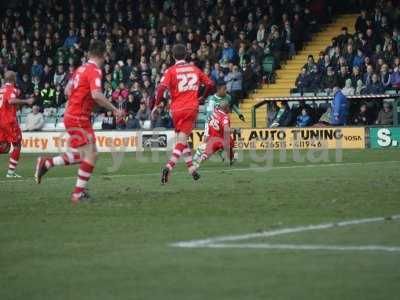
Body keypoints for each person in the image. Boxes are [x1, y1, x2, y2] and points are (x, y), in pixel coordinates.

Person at [35, 41, 123, 203]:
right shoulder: (94, 70)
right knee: (91, 155)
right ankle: (77, 194)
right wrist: (115, 109)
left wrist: (81, 98)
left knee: (86, 154)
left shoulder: (79, 69)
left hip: (72, 114)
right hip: (79, 117)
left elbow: (68, 90)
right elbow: (96, 94)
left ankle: (47, 163)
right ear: (103, 55)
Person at [152, 44, 214, 184]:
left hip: (176, 110)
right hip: (190, 108)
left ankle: (192, 170)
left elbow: (161, 88)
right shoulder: (194, 69)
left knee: (182, 139)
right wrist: (202, 96)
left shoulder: (170, 71)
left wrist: (157, 104)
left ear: (173, 56)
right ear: (186, 55)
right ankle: (169, 167)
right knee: (181, 141)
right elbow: (210, 84)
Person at [0, 71, 34, 178]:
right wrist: (26, 101)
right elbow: (11, 101)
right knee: (17, 145)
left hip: (1, 120)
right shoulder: (12, 89)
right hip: (9, 121)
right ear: (13, 79)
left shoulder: (1, 89)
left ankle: (11, 172)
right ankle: (10, 172)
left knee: (5, 148)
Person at [193, 100, 235, 169]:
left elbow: (210, 120)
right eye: (228, 107)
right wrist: (235, 130)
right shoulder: (225, 117)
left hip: (212, 137)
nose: (229, 109)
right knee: (230, 144)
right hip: (221, 138)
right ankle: (231, 158)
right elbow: (226, 129)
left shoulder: (215, 111)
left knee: (207, 153)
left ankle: (198, 162)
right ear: (226, 108)